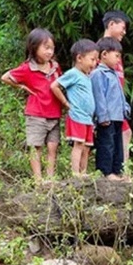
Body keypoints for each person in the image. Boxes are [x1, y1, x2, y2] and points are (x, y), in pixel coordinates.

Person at [1, 28, 62, 182]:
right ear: (34, 47)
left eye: (52, 48)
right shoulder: (27, 68)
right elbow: (6, 77)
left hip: (54, 113)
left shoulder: (55, 66)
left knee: (52, 147)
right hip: (36, 114)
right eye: (46, 47)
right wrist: (21, 86)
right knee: (36, 147)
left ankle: (50, 178)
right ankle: (38, 180)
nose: (49, 51)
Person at [50, 39, 99, 175]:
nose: (94, 64)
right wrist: (66, 103)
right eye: (92, 59)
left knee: (87, 146)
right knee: (79, 144)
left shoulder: (87, 76)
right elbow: (54, 86)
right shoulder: (73, 73)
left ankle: (83, 172)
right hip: (77, 116)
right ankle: (75, 173)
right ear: (79, 58)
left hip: (88, 118)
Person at [90, 37, 130, 181]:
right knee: (106, 145)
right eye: (117, 56)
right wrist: (102, 116)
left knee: (117, 145)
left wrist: (125, 108)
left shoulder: (113, 73)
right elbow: (99, 96)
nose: (118, 60)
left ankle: (117, 170)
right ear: (104, 54)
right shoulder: (98, 74)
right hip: (107, 117)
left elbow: (120, 94)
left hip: (118, 116)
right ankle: (105, 172)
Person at [101, 10, 131, 166]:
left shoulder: (115, 49)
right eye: (123, 27)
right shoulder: (101, 50)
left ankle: (121, 169)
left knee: (125, 133)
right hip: (108, 105)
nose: (124, 32)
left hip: (117, 102)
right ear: (111, 24)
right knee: (121, 134)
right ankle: (118, 170)